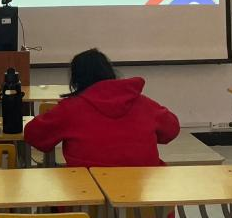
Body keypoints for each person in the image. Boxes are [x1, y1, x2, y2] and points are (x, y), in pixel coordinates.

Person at [24, 48, 179, 168]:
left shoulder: (70, 109)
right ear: (110, 72)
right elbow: (171, 130)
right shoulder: (144, 104)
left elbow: (34, 136)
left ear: (76, 80)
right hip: (144, 196)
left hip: (88, 196)